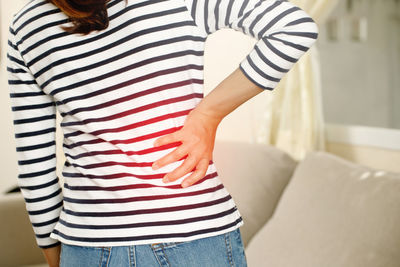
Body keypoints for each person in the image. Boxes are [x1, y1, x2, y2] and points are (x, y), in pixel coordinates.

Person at [6, 0, 318, 266]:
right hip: (196, 236)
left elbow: (35, 166)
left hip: (88, 244)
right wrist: (209, 114)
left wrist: (56, 255)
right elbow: (294, 27)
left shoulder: (25, 26)